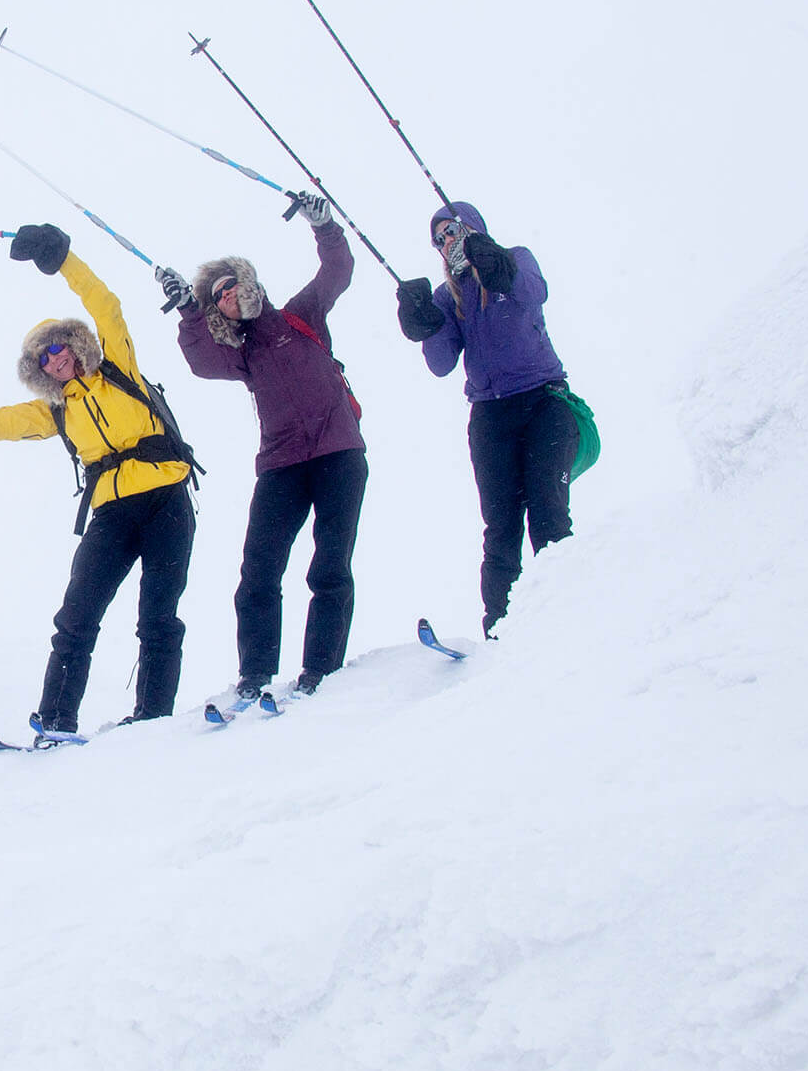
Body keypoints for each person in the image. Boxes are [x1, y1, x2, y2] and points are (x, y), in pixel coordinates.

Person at [0, 223, 198, 739]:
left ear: (75, 344)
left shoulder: (117, 368)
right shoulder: (56, 411)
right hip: (112, 513)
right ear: (39, 369)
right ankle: (55, 720)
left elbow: (107, 306)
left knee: (158, 614)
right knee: (76, 617)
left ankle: (153, 717)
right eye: (43, 357)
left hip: (166, 499)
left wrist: (62, 258)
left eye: (58, 346)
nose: (55, 357)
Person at [155, 191, 369, 707]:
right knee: (258, 571)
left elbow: (336, 271)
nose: (227, 295)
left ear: (249, 284)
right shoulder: (242, 353)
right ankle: (255, 675)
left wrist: (324, 226)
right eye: (218, 296)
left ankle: (321, 670)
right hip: (281, 466)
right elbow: (201, 362)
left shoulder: (301, 316)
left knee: (330, 565)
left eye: (231, 285)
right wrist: (188, 310)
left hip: (339, 453)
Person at [394, 201, 579, 637]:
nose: (447, 242)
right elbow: (441, 364)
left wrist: (496, 265)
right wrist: (426, 324)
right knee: (500, 526)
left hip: (544, 401)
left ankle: (568, 611)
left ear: (472, 227)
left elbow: (534, 293)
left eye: (452, 231)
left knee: (548, 510)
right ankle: (500, 626)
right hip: (490, 416)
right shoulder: (449, 296)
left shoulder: (515, 259)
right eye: (439, 239)